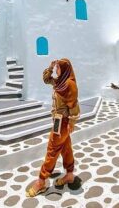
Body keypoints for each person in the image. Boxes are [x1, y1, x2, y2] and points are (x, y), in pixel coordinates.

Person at [26, 58, 80, 197]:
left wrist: (72, 122)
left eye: (58, 68)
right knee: (66, 148)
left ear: (64, 69)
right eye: (56, 68)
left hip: (62, 122)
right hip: (58, 120)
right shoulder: (59, 82)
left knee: (52, 150)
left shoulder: (69, 84)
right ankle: (69, 175)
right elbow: (46, 79)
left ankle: (41, 181)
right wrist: (49, 67)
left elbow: (73, 105)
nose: (56, 70)